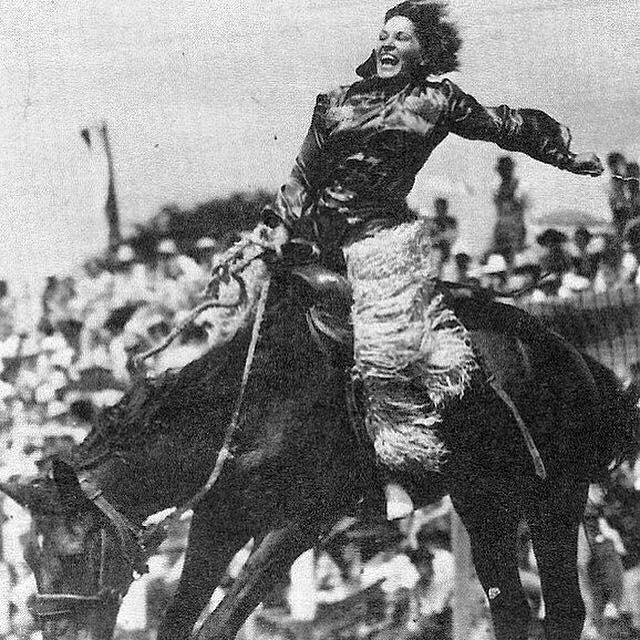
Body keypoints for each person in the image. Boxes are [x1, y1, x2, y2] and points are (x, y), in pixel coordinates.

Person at [261, 1, 603, 518]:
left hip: (382, 244)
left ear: (427, 51)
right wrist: (274, 230)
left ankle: (393, 471)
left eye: (401, 37)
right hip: (314, 243)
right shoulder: (332, 103)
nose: (386, 45)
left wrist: (564, 156)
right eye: (383, 35)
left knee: (381, 348)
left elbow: (504, 126)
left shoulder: (437, 102)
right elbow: (304, 175)